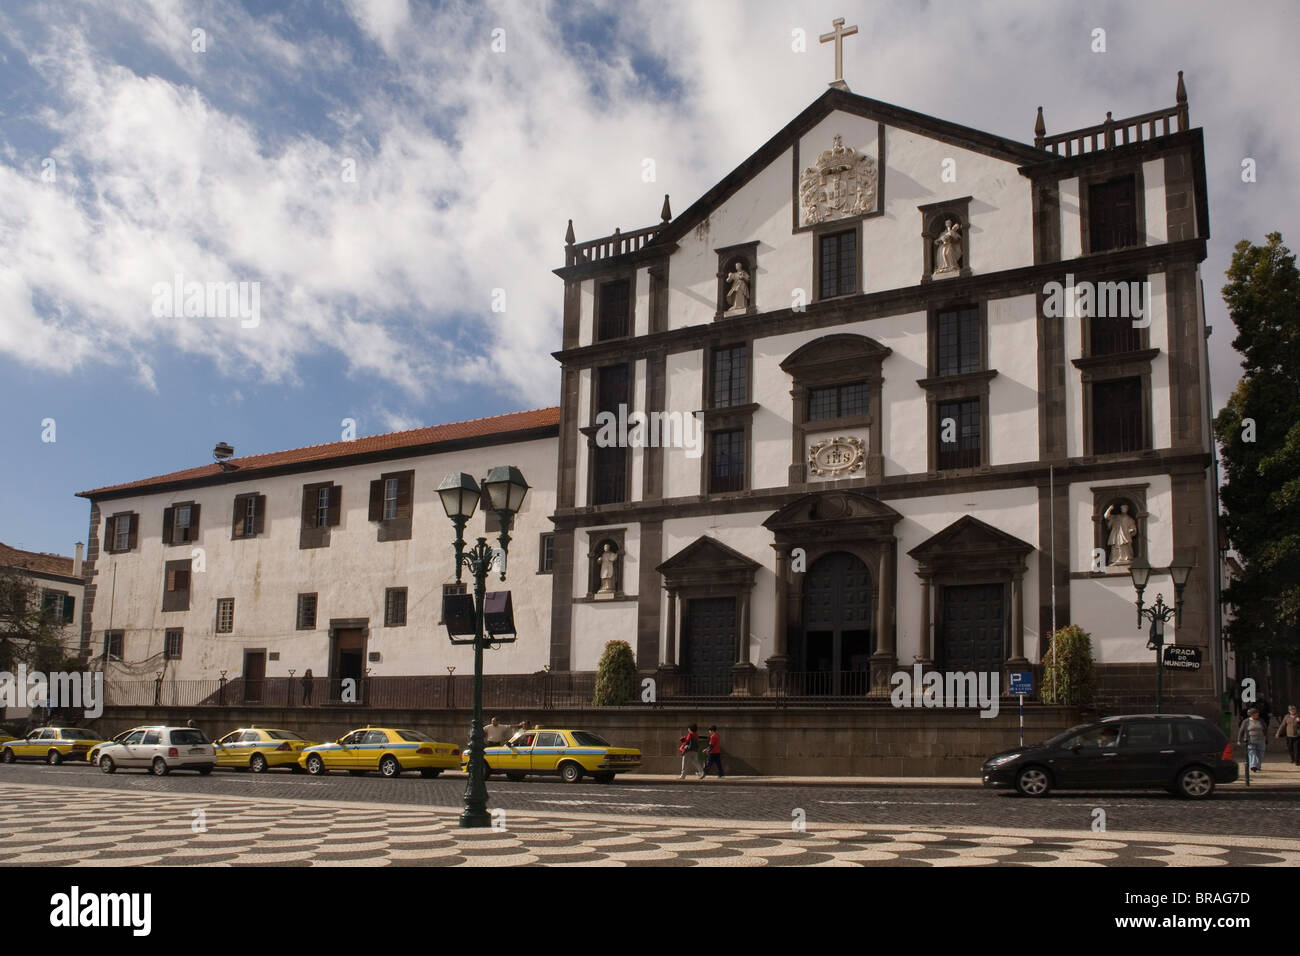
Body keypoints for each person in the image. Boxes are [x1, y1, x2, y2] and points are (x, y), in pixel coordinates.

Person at [1238, 707, 1267, 772]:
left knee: (1260, 754)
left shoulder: (1261, 720)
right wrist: (1239, 740)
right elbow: (1241, 730)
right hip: (1250, 739)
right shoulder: (1246, 721)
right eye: (1255, 714)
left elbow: (1265, 729)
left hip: (1261, 739)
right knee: (1252, 752)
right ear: (1251, 715)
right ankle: (1253, 766)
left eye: (1257, 714)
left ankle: (1258, 766)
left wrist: (1266, 737)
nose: (1257, 715)